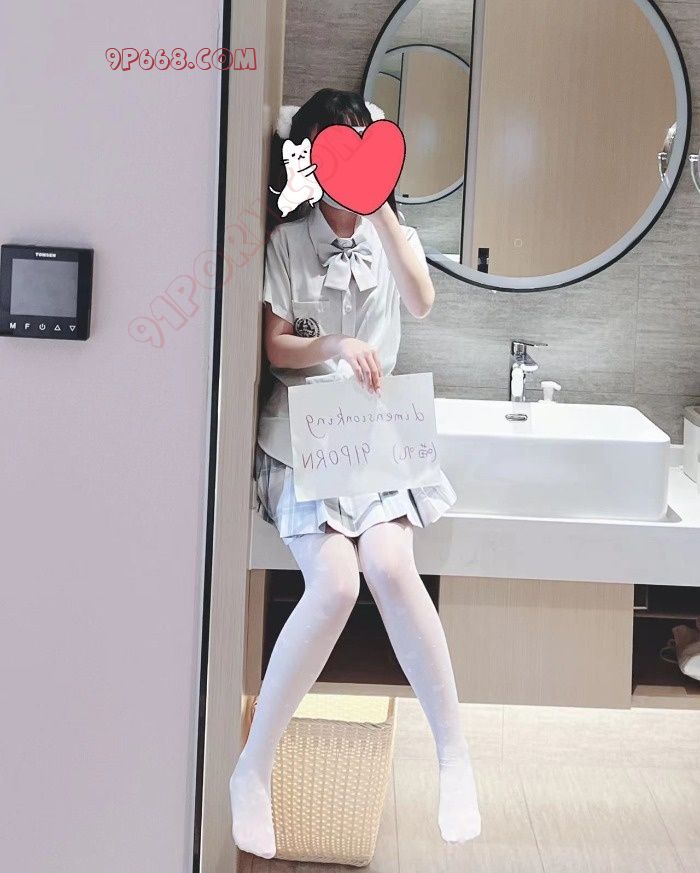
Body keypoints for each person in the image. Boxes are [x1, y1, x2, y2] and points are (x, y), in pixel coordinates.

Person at [230, 88, 481, 859]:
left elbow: (423, 300)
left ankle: (454, 756)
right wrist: (336, 345)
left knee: (393, 566)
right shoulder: (287, 241)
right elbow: (275, 346)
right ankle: (253, 768)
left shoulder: (386, 236)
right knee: (336, 584)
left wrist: (384, 211)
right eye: (332, 153)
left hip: (376, 436)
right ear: (309, 161)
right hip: (305, 433)